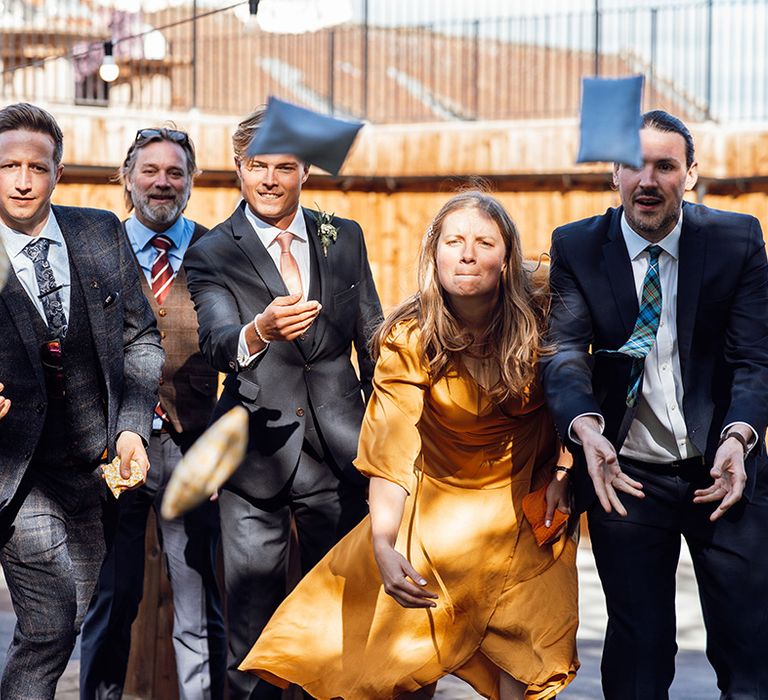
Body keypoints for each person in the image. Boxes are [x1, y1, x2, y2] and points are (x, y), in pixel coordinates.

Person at [238, 191, 579, 699]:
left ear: (507, 258)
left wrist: (565, 473)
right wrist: (383, 538)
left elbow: (578, 392)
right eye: (454, 241)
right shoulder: (410, 336)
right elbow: (390, 441)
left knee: (529, 661)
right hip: (435, 514)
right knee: (398, 668)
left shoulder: (547, 313)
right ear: (433, 253)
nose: (467, 254)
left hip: (524, 514)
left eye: (485, 242)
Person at [541, 110, 768, 699]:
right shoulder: (577, 246)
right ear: (613, 174)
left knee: (750, 647)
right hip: (626, 474)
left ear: (689, 175)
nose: (648, 179)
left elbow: (754, 359)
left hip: (724, 471)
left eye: (664, 166)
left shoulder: (734, 240)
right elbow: (563, 351)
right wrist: (584, 430)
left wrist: (739, 438)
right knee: (639, 652)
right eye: (634, 165)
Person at [184, 107, 383, 699]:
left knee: (340, 621)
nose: (270, 179)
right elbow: (220, 342)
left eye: (285, 166)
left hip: (341, 455)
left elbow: (372, 339)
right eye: (257, 166)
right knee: (254, 634)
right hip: (253, 460)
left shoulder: (343, 235)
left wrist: (388, 439)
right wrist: (260, 331)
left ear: (305, 173)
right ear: (239, 171)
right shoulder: (213, 252)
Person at [0, 102, 163, 699]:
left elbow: (140, 335)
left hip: (96, 472)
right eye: (7, 165)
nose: (22, 180)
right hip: (18, 473)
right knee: (47, 624)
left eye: (36, 167)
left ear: (57, 173)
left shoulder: (99, 232)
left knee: (72, 618)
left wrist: (131, 428)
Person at [80, 127, 226, 700]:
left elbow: (243, 358)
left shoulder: (217, 251)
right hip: (113, 450)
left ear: (190, 183)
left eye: (175, 173)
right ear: (127, 178)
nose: (162, 182)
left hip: (192, 451)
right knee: (112, 602)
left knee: (197, 608)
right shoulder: (96, 250)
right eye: (150, 171)